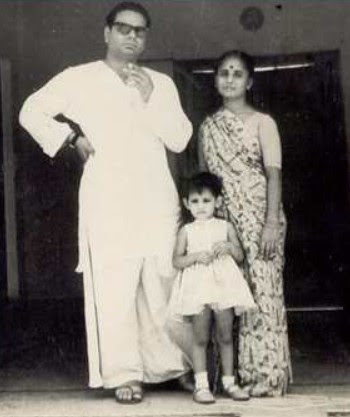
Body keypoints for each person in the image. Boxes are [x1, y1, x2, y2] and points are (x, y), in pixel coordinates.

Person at [19, 1, 193, 404]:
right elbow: (31, 110)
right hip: (108, 197)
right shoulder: (79, 78)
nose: (132, 37)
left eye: (140, 31)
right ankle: (123, 375)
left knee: (161, 281)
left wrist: (152, 98)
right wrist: (69, 138)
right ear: (106, 33)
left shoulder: (160, 83)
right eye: (124, 29)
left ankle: (171, 367)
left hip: (155, 196)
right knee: (115, 285)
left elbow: (180, 138)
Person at [198, 50, 292, 397]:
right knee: (227, 295)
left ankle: (266, 377)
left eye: (238, 74)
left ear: (249, 81)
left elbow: (273, 174)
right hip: (224, 222)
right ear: (216, 79)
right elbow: (205, 182)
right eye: (223, 72)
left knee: (263, 294)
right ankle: (231, 378)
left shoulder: (263, 123)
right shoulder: (208, 127)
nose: (230, 79)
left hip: (261, 217)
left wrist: (270, 222)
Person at [168, 172, 256, 404]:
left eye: (206, 201)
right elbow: (176, 261)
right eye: (195, 202)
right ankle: (202, 385)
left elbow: (239, 255)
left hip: (223, 288)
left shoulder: (225, 227)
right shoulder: (186, 231)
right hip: (198, 288)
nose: (201, 207)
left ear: (217, 201)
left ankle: (229, 382)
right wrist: (195, 256)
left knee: (225, 336)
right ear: (187, 204)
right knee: (200, 338)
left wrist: (228, 247)